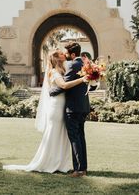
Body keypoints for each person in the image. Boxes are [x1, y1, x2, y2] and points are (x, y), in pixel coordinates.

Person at [3, 49, 86, 173]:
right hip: (56, 107)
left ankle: (60, 163)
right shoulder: (54, 72)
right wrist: (82, 79)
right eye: (61, 53)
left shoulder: (62, 70)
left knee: (61, 135)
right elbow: (63, 86)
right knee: (54, 134)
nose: (64, 54)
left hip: (63, 106)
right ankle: (47, 162)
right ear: (57, 58)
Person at [50, 43, 90, 177]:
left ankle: (78, 170)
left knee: (74, 138)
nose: (64, 55)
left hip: (73, 107)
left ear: (72, 55)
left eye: (66, 53)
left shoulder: (73, 65)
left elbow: (64, 85)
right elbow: (92, 86)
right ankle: (83, 168)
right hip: (83, 106)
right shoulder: (86, 64)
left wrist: (51, 91)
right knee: (81, 138)